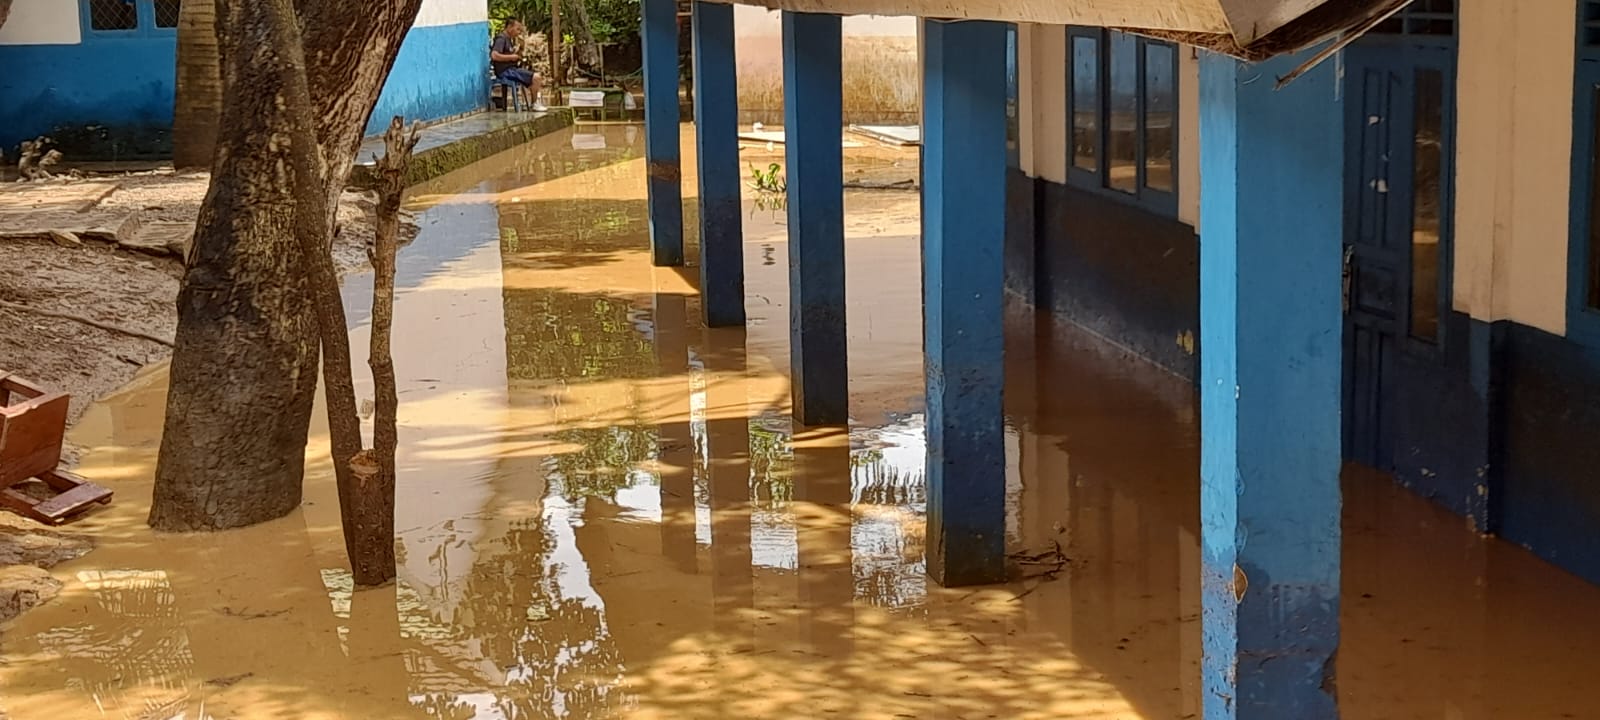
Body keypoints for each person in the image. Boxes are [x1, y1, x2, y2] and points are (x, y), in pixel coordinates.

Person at [491, 19, 548, 112]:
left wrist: (521, 49)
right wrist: (511, 57)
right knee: (536, 78)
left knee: (534, 78)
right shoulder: (501, 39)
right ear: (509, 27)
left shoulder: (510, 40)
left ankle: (530, 102)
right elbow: (494, 55)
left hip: (512, 69)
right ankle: (534, 104)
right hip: (505, 71)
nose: (518, 32)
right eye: (517, 29)